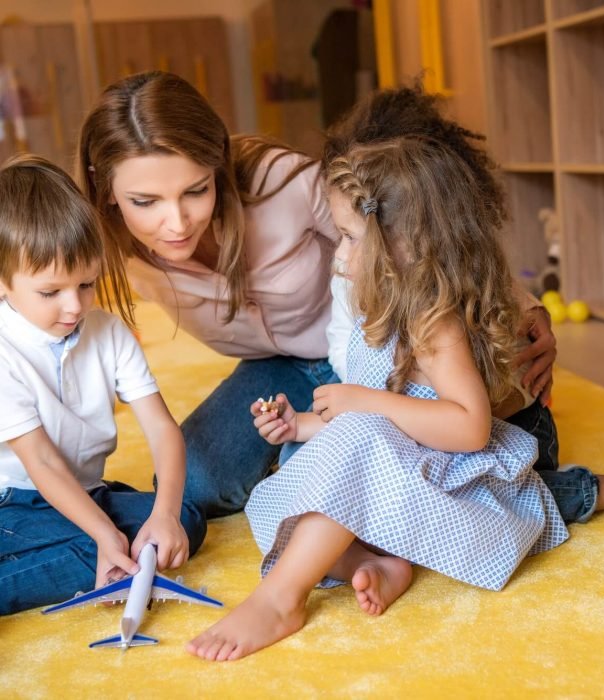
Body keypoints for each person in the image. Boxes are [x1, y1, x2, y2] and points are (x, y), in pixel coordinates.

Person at [186, 136, 604, 662]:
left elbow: (469, 428)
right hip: (401, 460)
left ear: (403, 246)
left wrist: (364, 403)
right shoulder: (378, 304)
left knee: (538, 506)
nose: (338, 253)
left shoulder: (433, 323)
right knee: (297, 503)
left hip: (456, 468)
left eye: (347, 237)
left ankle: (281, 598)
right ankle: (385, 564)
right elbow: (365, 430)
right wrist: (299, 426)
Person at [77, 71, 557, 518]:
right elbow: (26, 303)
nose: (177, 223)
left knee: (387, 466)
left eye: (195, 191)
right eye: (145, 202)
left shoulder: (283, 185)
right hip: (279, 366)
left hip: (380, 353)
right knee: (188, 485)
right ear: (107, 189)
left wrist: (523, 306)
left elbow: (413, 237)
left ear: (218, 163)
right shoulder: (98, 248)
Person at [0, 155, 205, 615]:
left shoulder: (107, 332)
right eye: (51, 292)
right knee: (95, 551)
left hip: (83, 493)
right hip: (12, 504)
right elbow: (43, 462)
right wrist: (106, 536)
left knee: (187, 519)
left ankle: (102, 543)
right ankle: (97, 547)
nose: (75, 306)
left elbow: (161, 428)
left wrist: (166, 514)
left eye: (87, 283)